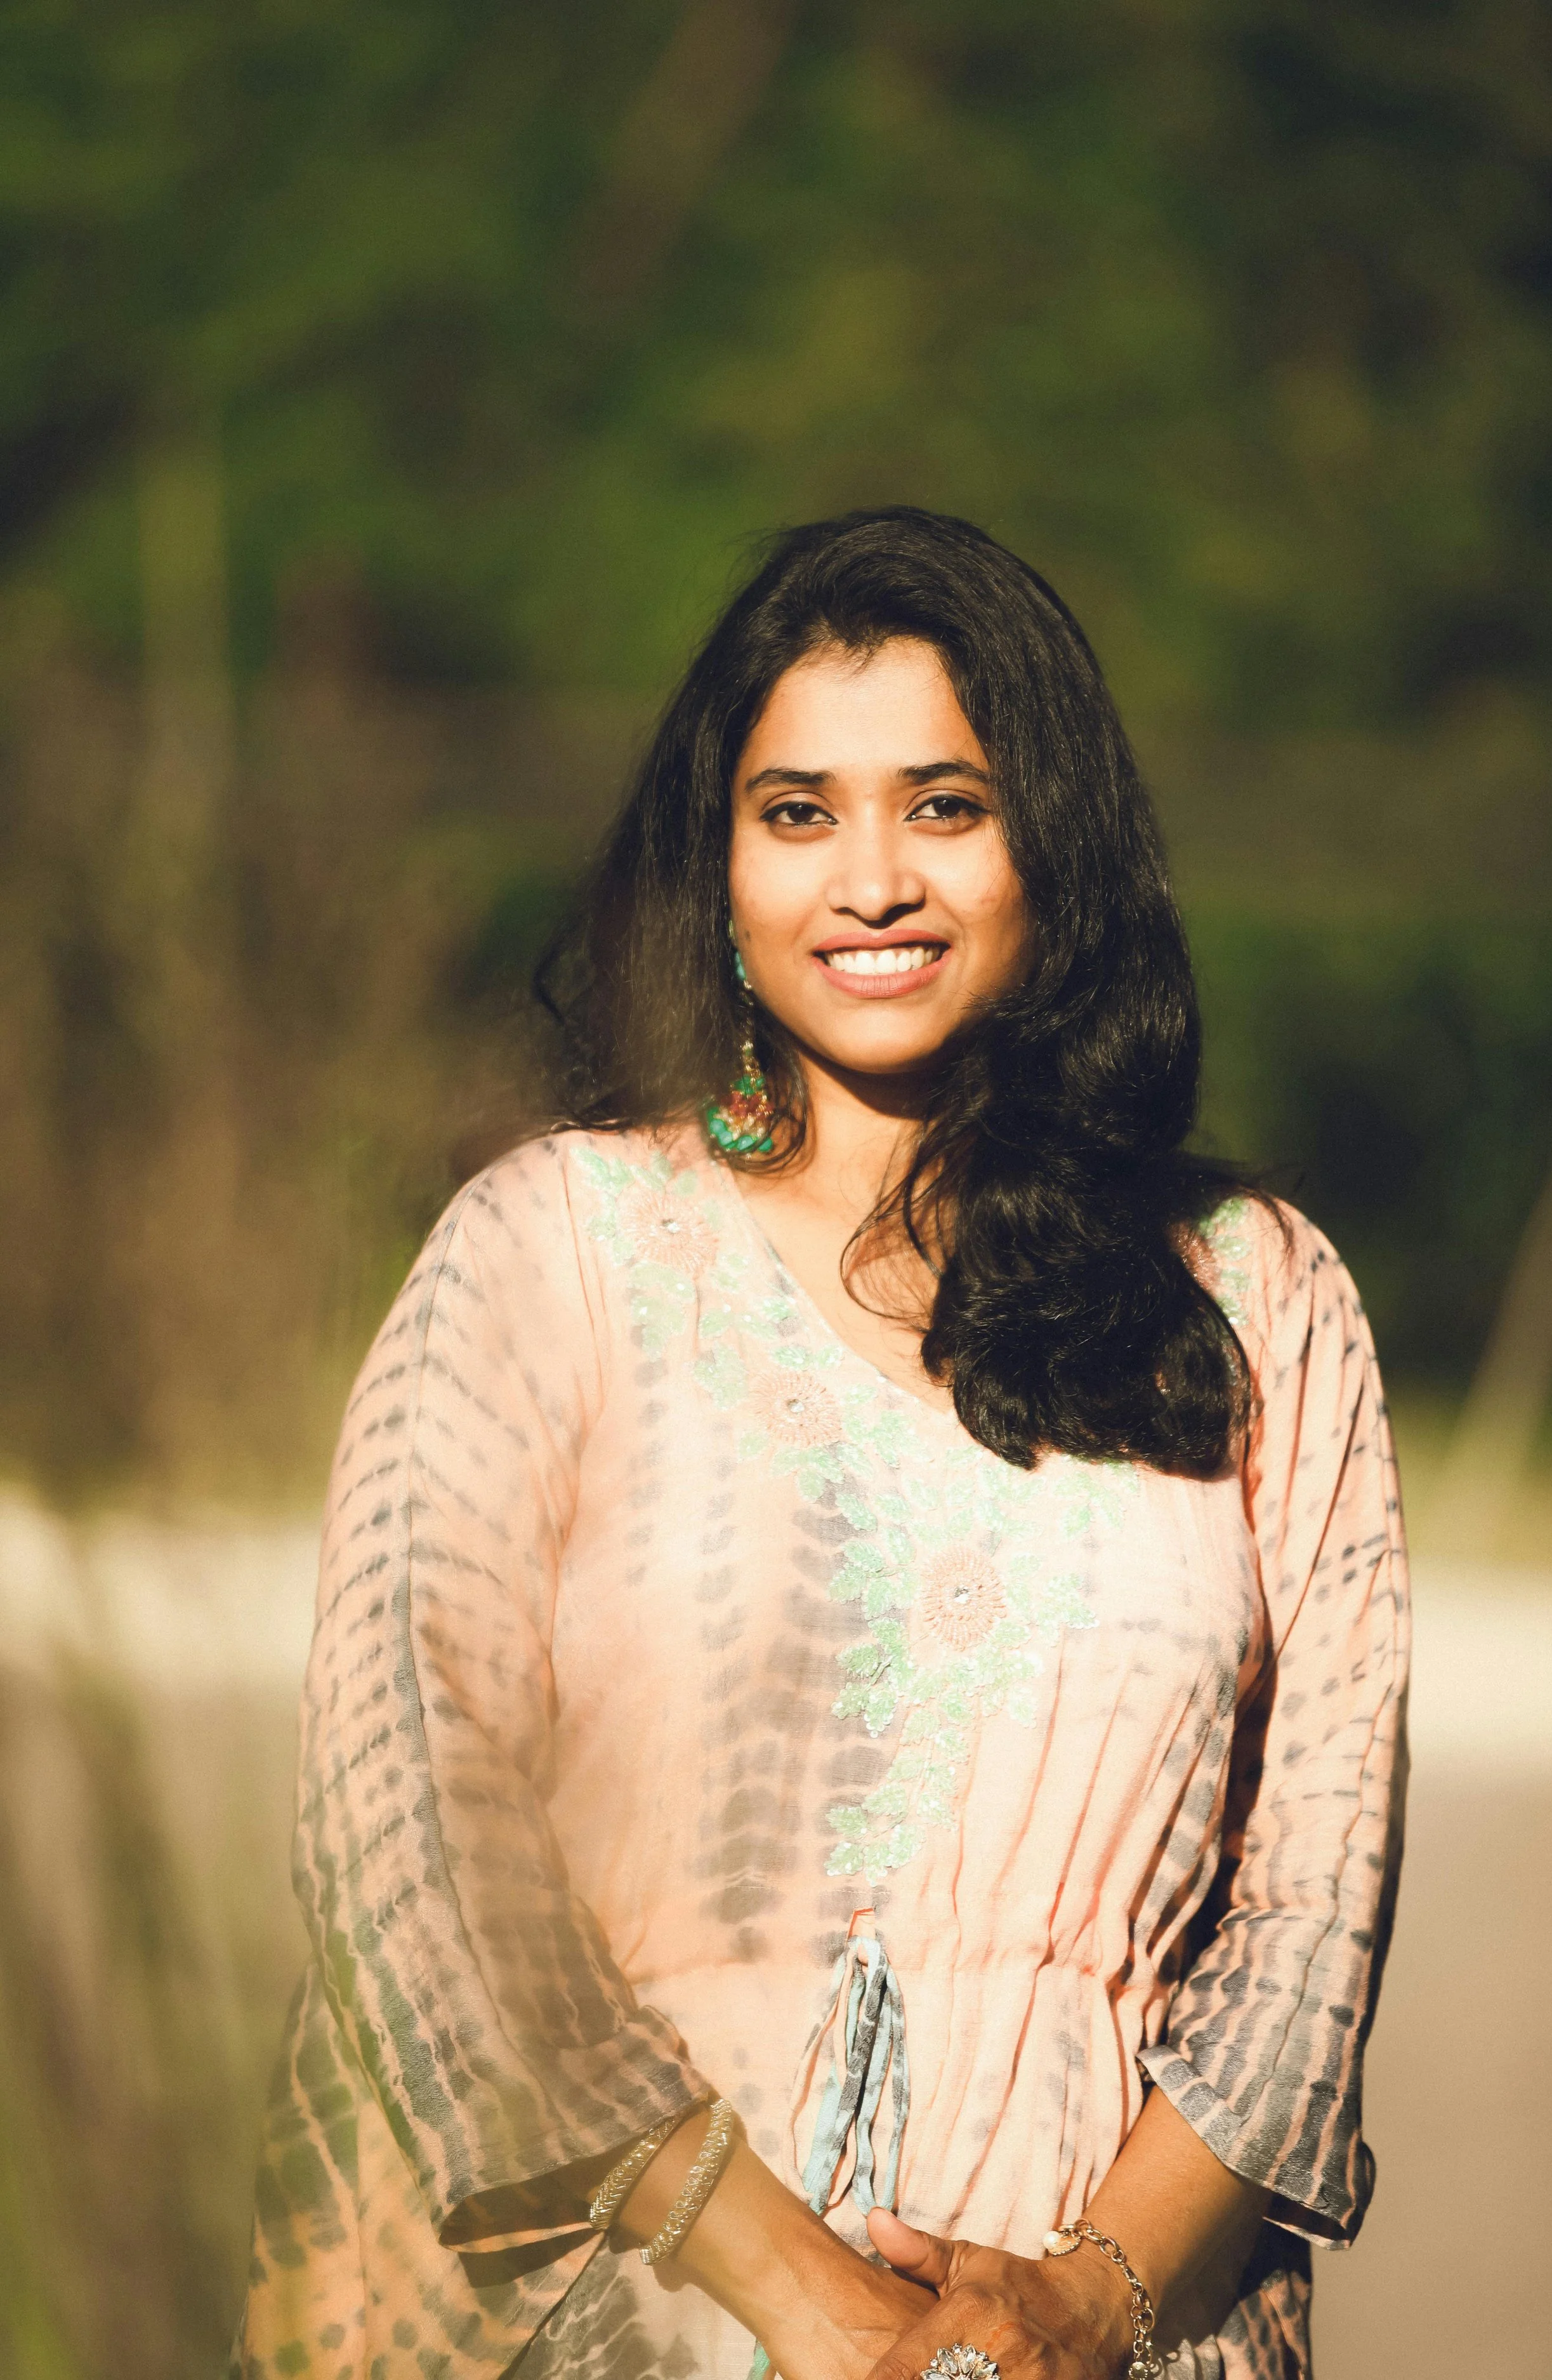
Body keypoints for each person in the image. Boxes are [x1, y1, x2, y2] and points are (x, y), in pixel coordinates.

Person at [230, 508, 1408, 2380]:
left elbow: (1311, 1922)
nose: (871, 877)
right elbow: (411, 1821)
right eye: (797, 812)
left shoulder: (1256, 1304)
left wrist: (1078, 2304)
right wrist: (813, 2299)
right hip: (633, 2309)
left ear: (1057, 852)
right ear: (715, 866)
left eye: (945, 804)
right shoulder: (556, 1254)